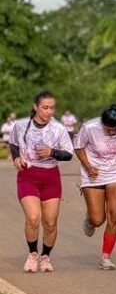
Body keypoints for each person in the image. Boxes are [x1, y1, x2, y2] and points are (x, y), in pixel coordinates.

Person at [9, 91, 74, 273]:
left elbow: (68, 154)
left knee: (50, 222)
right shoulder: (21, 126)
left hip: (51, 177)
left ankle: (45, 256)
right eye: (45, 107)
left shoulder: (58, 128)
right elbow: (13, 144)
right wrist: (16, 158)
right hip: (28, 175)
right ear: (35, 107)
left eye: (52, 108)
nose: (49, 111)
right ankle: (32, 254)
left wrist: (52, 152)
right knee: (33, 217)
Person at [75, 105, 116, 270]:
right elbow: (78, 147)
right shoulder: (89, 127)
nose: (111, 131)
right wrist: (88, 167)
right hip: (94, 173)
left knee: (114, 215)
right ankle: (90, 219)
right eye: (108, 128)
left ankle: (106, 257)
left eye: (115, 129)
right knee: (98, 219)